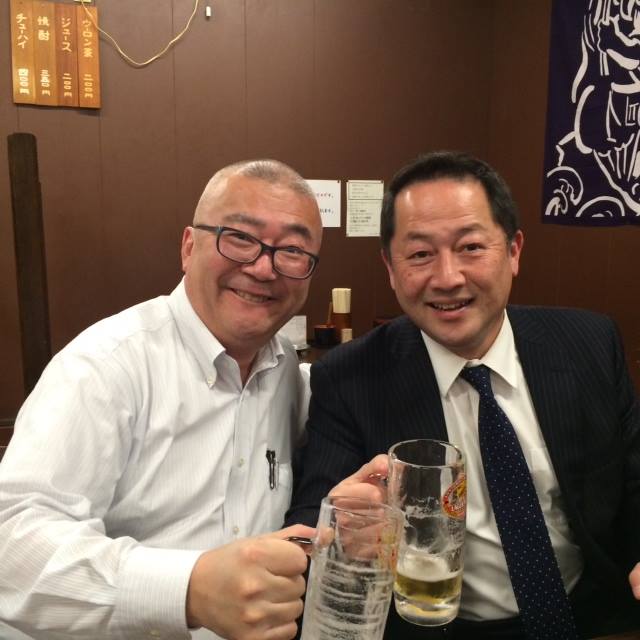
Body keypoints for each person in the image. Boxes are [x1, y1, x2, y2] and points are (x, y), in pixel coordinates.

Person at [286, 151, 640, 639]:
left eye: (471, 246)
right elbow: (314, 521)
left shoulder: (588, 343)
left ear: (513, 251)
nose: (448, 277)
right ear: (390, 267)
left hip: (592, 615)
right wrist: (344, 529)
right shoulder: (349, 378)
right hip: (437, 627)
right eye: (419, 254)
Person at [0, 159, 323, 640]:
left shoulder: (287, 374)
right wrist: (188, 589)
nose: (262, 267)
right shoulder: (105, 366)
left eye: (293, 250)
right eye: (239, 237)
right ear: (189, 247)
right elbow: (12, 543)